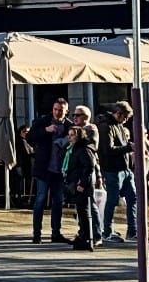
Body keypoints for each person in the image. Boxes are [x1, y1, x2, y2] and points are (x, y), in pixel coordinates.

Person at [28, 97, 72, 244]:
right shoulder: (43, 121)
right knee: (40, 200)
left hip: (60, 169)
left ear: (66, 111)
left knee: (58, 202)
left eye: (61, 110)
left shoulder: (69, 126)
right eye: (55, 109)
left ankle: (56, 233)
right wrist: (45, 131)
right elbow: (30, 136)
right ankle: (37, 234)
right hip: (44, 168)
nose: (57, 113)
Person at [97, 100, 136, 243]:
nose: (126, 121)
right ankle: (107, 231)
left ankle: (132, 230)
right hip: (112, 169)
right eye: (125, 117)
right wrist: (128, 148)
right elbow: (107, 149)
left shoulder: (118, 125)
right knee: (112, 200)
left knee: (133, 197)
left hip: (124, 168)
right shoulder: (106, 126)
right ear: (118, 114)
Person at [63, 124, 100, 251]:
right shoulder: (73, 149)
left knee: (84, 212)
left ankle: (87, 237)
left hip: (81, 184)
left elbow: (89, 167)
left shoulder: (83, 149)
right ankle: (84, 236)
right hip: (76, 182)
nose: (70, 138)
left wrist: (82, 183)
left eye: (73, 135)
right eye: (69, 135)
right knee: (81, 211)